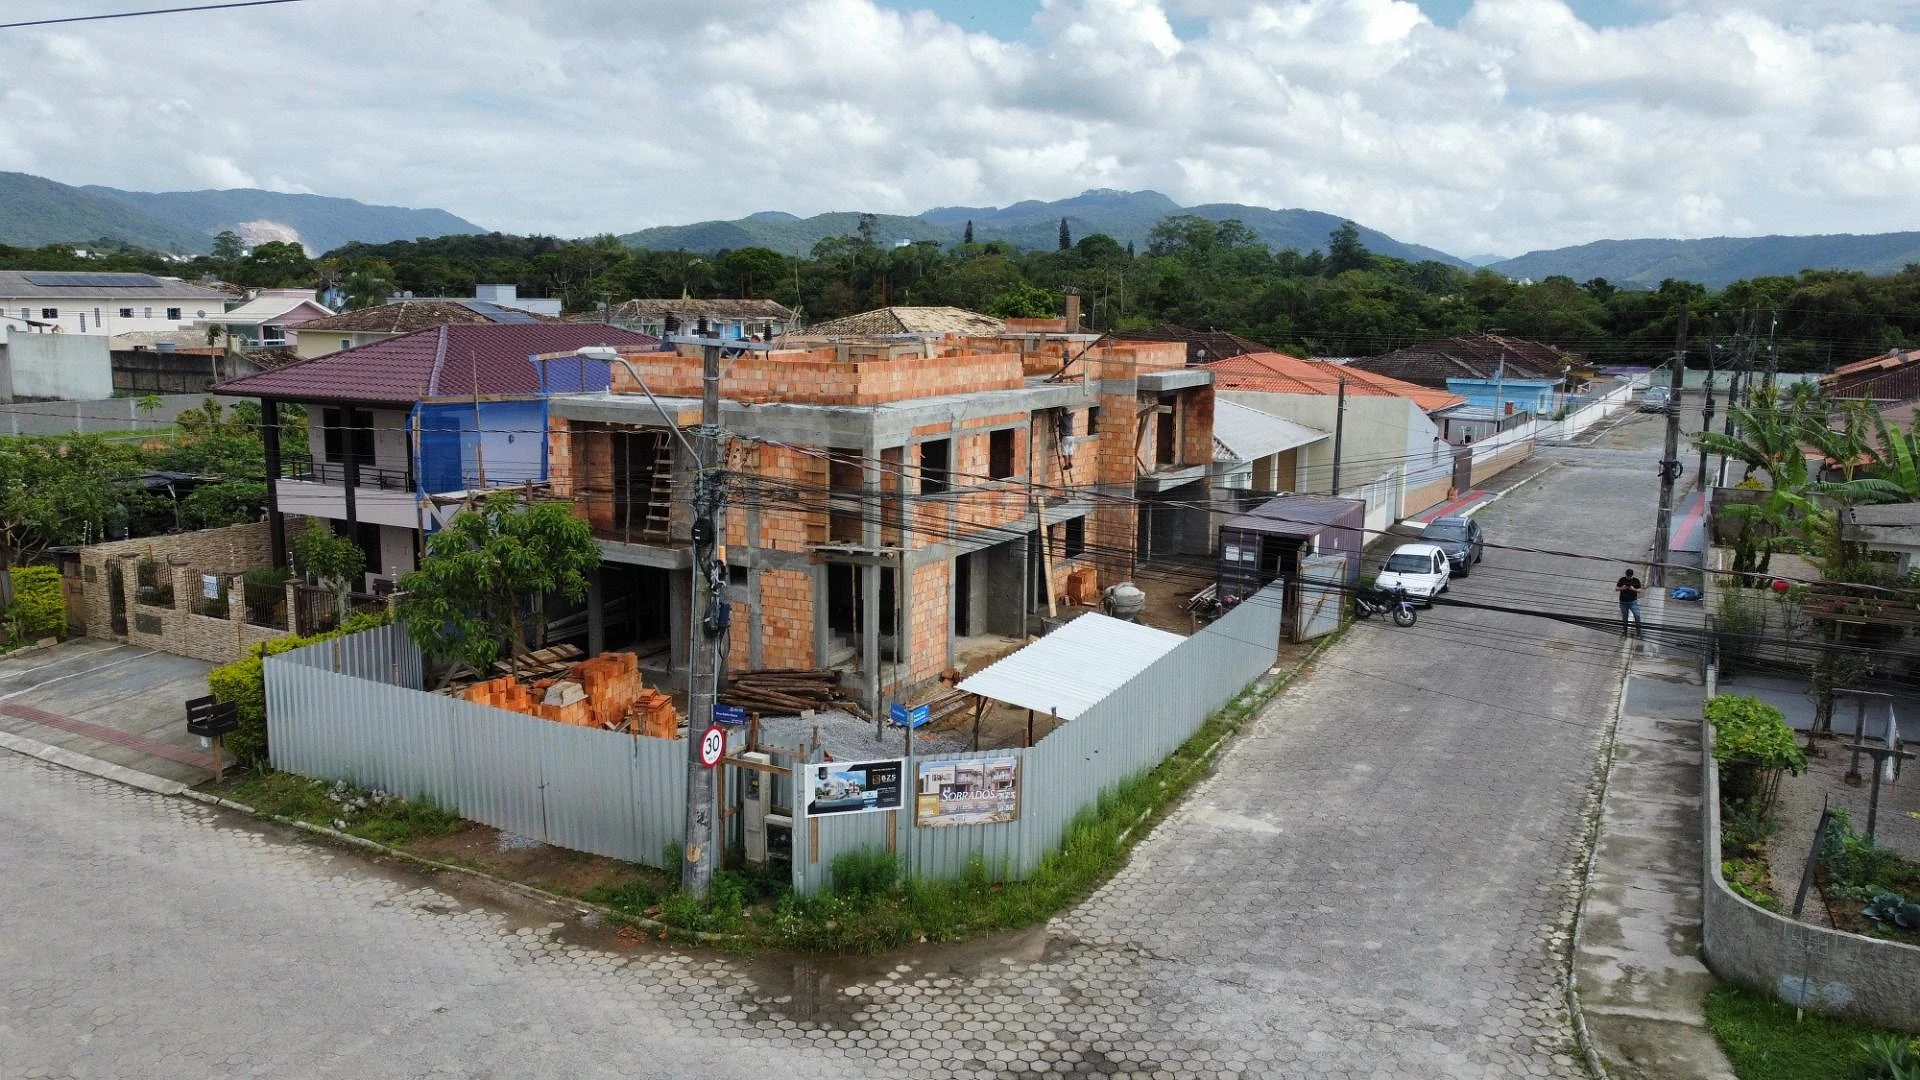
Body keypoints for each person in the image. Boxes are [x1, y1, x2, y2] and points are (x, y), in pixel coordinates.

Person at [1616, 568, 1643, 634]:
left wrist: (1633, 589)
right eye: (1628, 576)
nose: (1629, 578)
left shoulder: (1636, 580)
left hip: (1633, 602)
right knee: (1625, 617)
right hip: (1623, 602)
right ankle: (1624, 631)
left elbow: (1640, 590)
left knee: (1637, 615)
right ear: (1626, 575)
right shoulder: (1622, 579)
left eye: (1630, 576)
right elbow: (1616, 588)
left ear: (1632, 575)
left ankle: (1639, 632)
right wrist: (1623, 588)